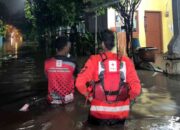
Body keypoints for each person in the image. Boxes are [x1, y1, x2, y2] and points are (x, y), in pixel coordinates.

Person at [75, 30, 141, 126]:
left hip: (98, 115)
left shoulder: (94, 60)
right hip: (120, 116)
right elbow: (136, 89)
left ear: (102, 44)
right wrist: (127, 98)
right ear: (114, 43)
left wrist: (89, 97)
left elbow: (79, 83)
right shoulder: (126, 61)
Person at [44, 36, 77, 105]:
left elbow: (47, 77)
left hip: (53, 99)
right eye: (69, 47)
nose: (69, 49)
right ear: (65, 48)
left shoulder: (47, 63)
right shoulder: (72, 63)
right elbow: (76, 79)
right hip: (68, 100)